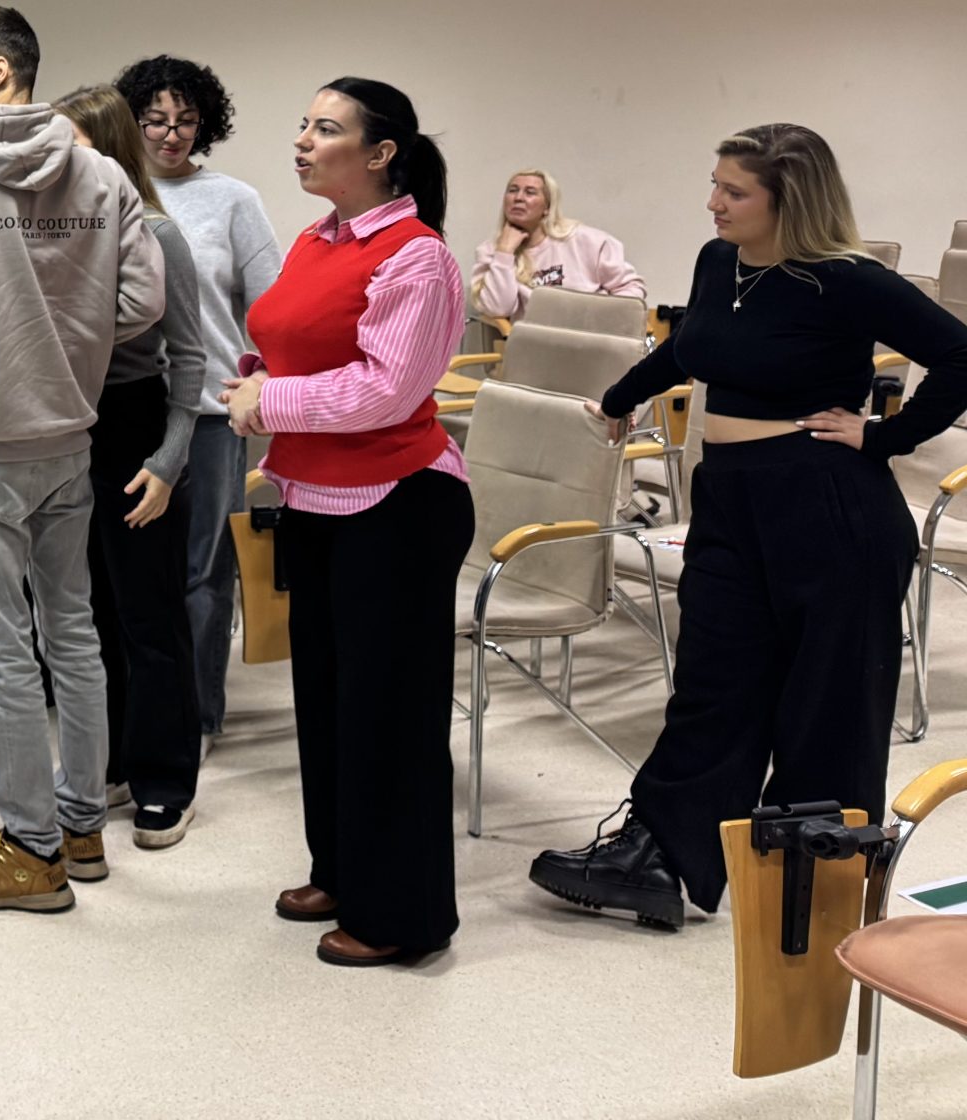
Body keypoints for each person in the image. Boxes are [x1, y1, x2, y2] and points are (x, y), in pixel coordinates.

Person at [529, 124, 967, 931]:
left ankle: (814, 881)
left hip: (825, 503)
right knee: (713, 683)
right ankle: (658, 855)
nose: (714, 202)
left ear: (788, 200)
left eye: (734, 191)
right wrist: (620, 398)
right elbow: (689, 349)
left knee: (826, 705)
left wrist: (886, 436)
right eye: (715, 183)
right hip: (730, 497)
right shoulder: (718, 261)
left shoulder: (847, 280)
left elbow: (961, 354)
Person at [0, 7, 163, 912]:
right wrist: (69, 337)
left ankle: (30, 849)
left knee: (6, 655)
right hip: (68, 438)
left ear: (1, 72)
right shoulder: (103, 175)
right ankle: (81, 825)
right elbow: (142, 304)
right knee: (74, 635)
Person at [222, 78, 470, 968]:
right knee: (329, 703)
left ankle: (402, 915)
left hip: (396, 504)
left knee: (390, 717)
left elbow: (386, 389)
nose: (302, 140)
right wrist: (258, 373)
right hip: (316, 497)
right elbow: (295, 342)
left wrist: (269, 400)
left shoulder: (417, 256)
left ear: (380, 154)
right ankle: (343, 870)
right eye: (303, 124)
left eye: (325, 129)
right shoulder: (317, 237)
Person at [114, 53, 282, 745]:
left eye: (185, 121)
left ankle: (197, 716)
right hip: (125, 406)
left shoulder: (233, 200)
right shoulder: (108, 190)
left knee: (203, 572)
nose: (170, 134)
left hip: (211, 413)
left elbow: (273, 311)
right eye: (155, 120)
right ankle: (137, 710)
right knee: (126, 568)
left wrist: (261, 379)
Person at [57, 86, 208, 849]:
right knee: (92, 613)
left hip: (137, 429)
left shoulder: (157, 233)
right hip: (73, 429)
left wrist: (168, 462)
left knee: (150, 616)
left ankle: (166, 778)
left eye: (72, 147)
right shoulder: (57, 233)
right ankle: (113, 759)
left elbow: (191, 358)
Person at [471, 168, 648, 323]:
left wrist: (603, 320)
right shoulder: (491, 252)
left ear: (547, 207)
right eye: (512, 190)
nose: (518, 198)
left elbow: (631, 289)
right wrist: (504, 253)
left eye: (530, 192)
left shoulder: (585, 241)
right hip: (534, 343)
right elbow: (498, 308)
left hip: (591, 336)